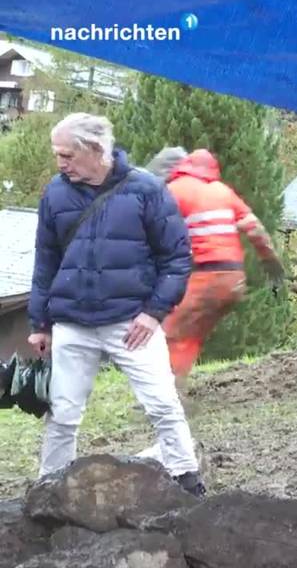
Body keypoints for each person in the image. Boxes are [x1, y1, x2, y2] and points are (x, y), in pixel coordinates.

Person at [27, 113, 206, 496]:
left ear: (95, 149)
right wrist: (39, 323)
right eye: (57, 155)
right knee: (61, 414)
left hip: (131, 323)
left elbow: (176, 257)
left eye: (67, 155)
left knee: (162, 404)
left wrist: (154, 312)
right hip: (72, 324)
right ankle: (49, 488)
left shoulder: (146, 190)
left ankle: (187, 479)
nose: (60, 163)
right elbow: (46, 261)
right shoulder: (55, 193)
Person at [156, 148, 285, 388]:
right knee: (190, 333)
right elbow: (255, 229)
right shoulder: (223, 191)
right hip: (233, 281)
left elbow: (156, 235)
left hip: (206, 276)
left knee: (168, 334)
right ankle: (175, 388)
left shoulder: (175, 190)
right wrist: (271, 261)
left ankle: (168, 397)